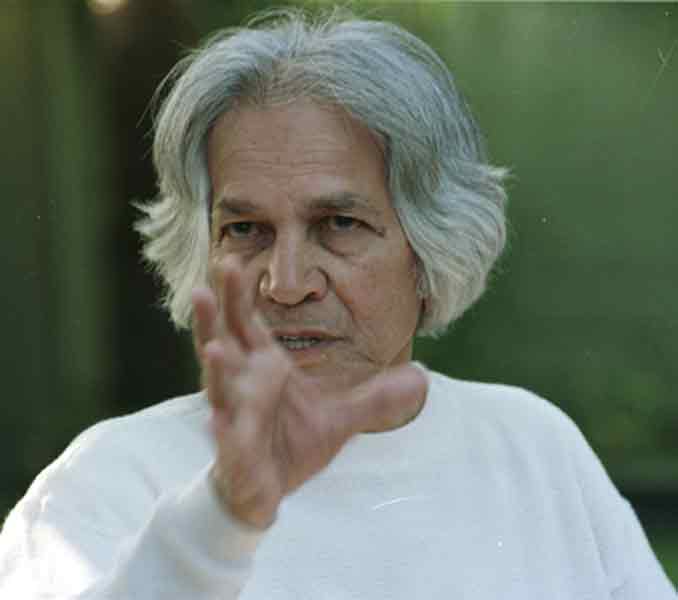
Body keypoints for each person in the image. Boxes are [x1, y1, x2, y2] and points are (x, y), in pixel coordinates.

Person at [0, 8, 675, 599]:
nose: (286, 283)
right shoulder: (107, 482)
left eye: (339, 225)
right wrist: (220, 520)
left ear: (431, 245)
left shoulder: (533, 448)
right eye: (246, 230)